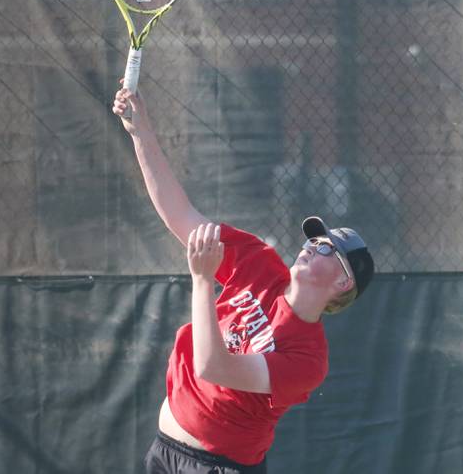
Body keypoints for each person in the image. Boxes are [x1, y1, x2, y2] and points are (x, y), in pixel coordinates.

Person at [112, 86, 375, 474]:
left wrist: (202, 282)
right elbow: (179, 214)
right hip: (163, 451)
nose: (311, 246)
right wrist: (141, 132)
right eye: (314, 239)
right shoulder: (259, 262)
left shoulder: (308, 360)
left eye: (327, 249)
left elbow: (213, 367)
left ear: (342, 283)